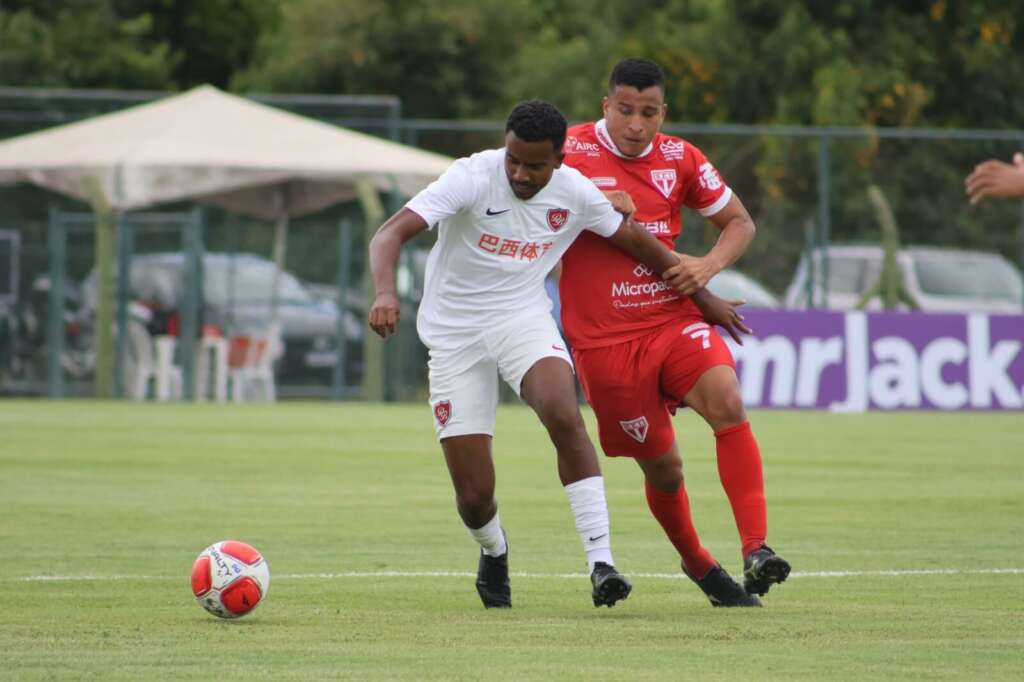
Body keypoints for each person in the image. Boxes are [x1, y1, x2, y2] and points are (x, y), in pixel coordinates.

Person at [368, 100, 746, 609]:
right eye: (514, 161)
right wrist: (385, 293)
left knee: (563, 413)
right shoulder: (472, 176)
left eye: (535, 165)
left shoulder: (576, 193)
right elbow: (389, 232)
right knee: (475, 496)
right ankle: (494, 549)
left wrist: (705, 299)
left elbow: (642, 246)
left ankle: (601, 563)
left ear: (560, 160)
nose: (521, 174)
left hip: (521, 320)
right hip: (454, 337)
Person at [558, 58, 791, 607]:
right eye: (624, 110)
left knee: (727, 401)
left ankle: (757, 549)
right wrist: (585, 203)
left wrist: (707, 268)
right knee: (664, 468)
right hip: (605, 342)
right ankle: (699, 564)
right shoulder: (567, 153)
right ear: (605, 106)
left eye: (648, 113)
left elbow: (740, 222)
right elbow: (524, 200)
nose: (636, 125)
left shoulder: (680, 157)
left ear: (663, 111)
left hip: (673, 318)